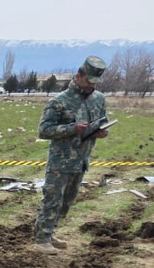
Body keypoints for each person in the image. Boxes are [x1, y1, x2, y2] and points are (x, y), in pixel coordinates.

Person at [34, 56, 109, 253]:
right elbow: (44, 130)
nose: (91, 86)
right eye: (88, 81)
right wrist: (72, 128)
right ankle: (42, 240)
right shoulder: (59, 102)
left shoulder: (98, 99)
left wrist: (102, 131)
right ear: (78, 76)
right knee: (52, 199)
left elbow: (102, 121)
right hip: (61, 161)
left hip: (81, 160)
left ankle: (50, 232)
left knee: (67, 201)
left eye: (95, 82)